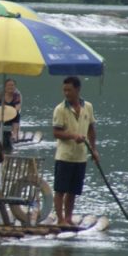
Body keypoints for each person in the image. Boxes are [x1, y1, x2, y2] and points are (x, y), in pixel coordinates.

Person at [52, 75, 97, 226]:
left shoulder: (88, 107)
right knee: (60, 190)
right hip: (64, 156)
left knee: (73, 191)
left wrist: (94, 150)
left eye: (69, 90)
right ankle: (60, 219)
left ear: (77, 89)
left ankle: (69, 218)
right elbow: (56, 132)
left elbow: (91, 128)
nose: (66, 93)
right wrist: (72, 135)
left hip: (80, 156)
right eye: (64, 90)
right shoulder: (60, 109)